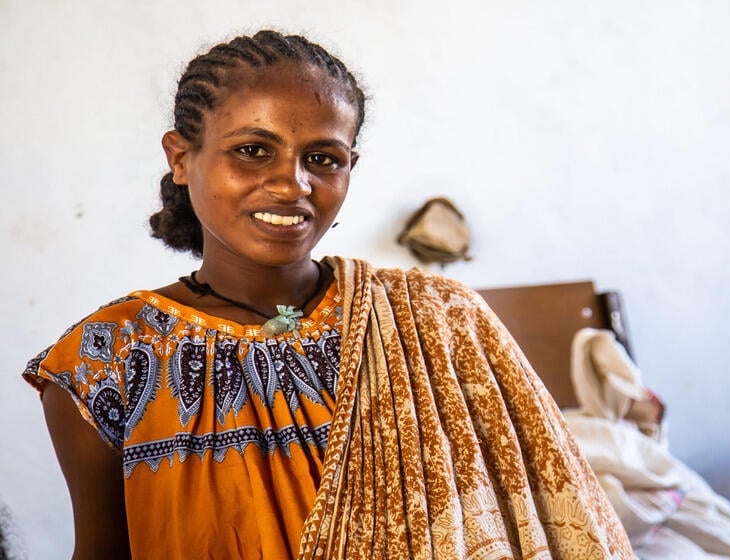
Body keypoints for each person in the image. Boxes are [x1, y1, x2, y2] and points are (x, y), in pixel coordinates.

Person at [23, 30, 634, 559]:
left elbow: (551, 522)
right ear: (181, 157)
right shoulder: (105, 361)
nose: (293, 184)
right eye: (252, 150)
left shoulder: (444, 321)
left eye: (323, 158)